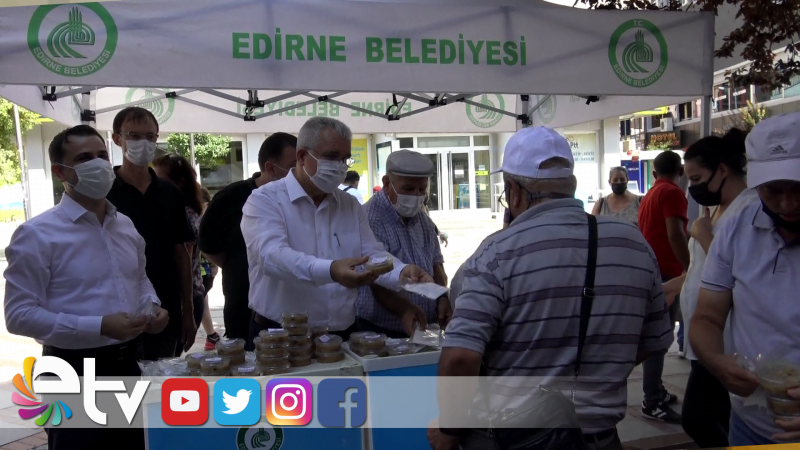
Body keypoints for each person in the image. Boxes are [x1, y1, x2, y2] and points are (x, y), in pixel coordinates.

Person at [429, 126, 673, 450]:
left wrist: (448, 431)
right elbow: (655, 339)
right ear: (570, 185)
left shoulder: (496, 253)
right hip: (600, 440)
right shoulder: (633, 244)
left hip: (511, 439)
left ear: (514, 191)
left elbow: (460, 357)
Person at [3, 125, 169, 450]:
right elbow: (19, 315)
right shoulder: (37, 234)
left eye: (102, 155)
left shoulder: (124, 224)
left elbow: (138, 278)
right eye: (84, 158)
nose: (99, 164)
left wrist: (152, 307)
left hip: (127, 361)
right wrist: (99, 325)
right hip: (70, 368)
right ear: (60, 171)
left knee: (134, 445)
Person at [240, 117, 433, 345]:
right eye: (331, 157)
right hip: (281, 337)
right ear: (302, 156)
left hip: (340, 337)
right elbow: (272, 257)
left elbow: (372, 253)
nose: (341, 167)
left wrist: (401, 272)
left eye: (345, 159)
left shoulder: (349, 204)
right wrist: (331, 270)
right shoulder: (265, 200)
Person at [691, 112, 800, 446]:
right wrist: (717, 362)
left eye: (799, 189)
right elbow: (707, 317)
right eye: (773, 190)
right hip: (751, 424)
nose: (788, 204)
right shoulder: (738, 227)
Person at [662, 129, 752, 448]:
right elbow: (701, 271)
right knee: (721, 416)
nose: (694, 187)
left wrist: (702, 236)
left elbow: (741, 272)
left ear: (723, 170)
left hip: (726, 337)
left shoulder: (749, 209)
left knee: (699, 419)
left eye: (698, 178)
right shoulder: (716, 209)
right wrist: (668, 288)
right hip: (705, 337)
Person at [106, 107, 196, 359]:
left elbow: (182, 253)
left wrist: (187, 311)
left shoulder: (169, 193)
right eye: (133, 136)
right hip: (117, 309)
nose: (142, 143)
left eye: (150, 137)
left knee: (160, 382)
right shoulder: (104, 192)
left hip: (164, 309)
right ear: (117, 138)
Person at [198, 133, 297, 341]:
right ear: (270, 168)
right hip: (243, 301)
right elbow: (206, 243)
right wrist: (238, 265)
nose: (300, 173)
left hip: (293, 306)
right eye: (294, 166)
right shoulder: (232, 197)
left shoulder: (300, 199)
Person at [356, 150, 452, 338]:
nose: (416, 196)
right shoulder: (368, 219)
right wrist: (405, 309)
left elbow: (436, 265)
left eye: (421, 190)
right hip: (380, 330)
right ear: (386, 183)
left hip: (422, 328)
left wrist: (442, 298)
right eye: (408, 189)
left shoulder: (423, 220)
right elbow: (375, 279)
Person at [636, 150, 688, 423]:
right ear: (681, 171)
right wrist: (690, 266)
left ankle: (656, 391)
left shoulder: (650, 195)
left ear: (654, 173)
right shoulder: (672, 193)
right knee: (660, 338)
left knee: (657, 334)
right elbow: (674, 232)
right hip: (667, 273)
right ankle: (652, 400)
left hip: (652, 270)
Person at [152, 153, 207, 351]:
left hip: (187, 299)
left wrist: (186, 310)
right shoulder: (186, 210)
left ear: (179, 183)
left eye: (159, 179)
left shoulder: (184, 213)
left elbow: (184, 257)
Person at [199, 187, 220, 350]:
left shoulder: (202, 218)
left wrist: (213, 265)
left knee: (202, 300)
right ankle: (211, 335)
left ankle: (211, 335)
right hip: (201, 269)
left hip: (202, 270)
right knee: (202, 301)